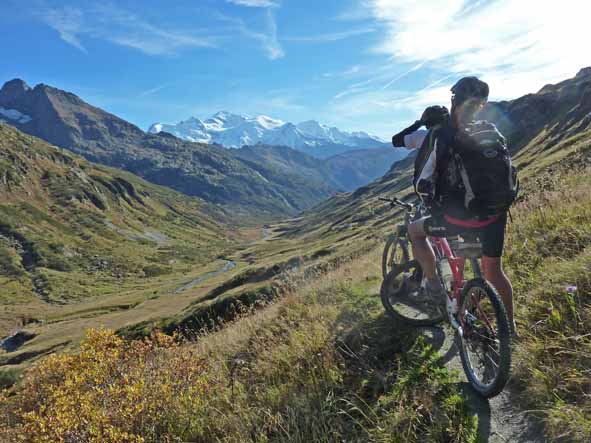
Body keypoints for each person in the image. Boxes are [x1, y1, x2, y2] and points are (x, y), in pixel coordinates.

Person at [391, 77, 516, 334]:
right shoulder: (491, 130)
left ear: (454, 100)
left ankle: (434, 286)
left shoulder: (439, 135)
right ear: (482, 105)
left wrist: (433, 203)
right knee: (494, 270)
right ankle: (510, 328)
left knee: (416, 231)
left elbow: (420, 177)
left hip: (459, 218)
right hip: (495, 213)